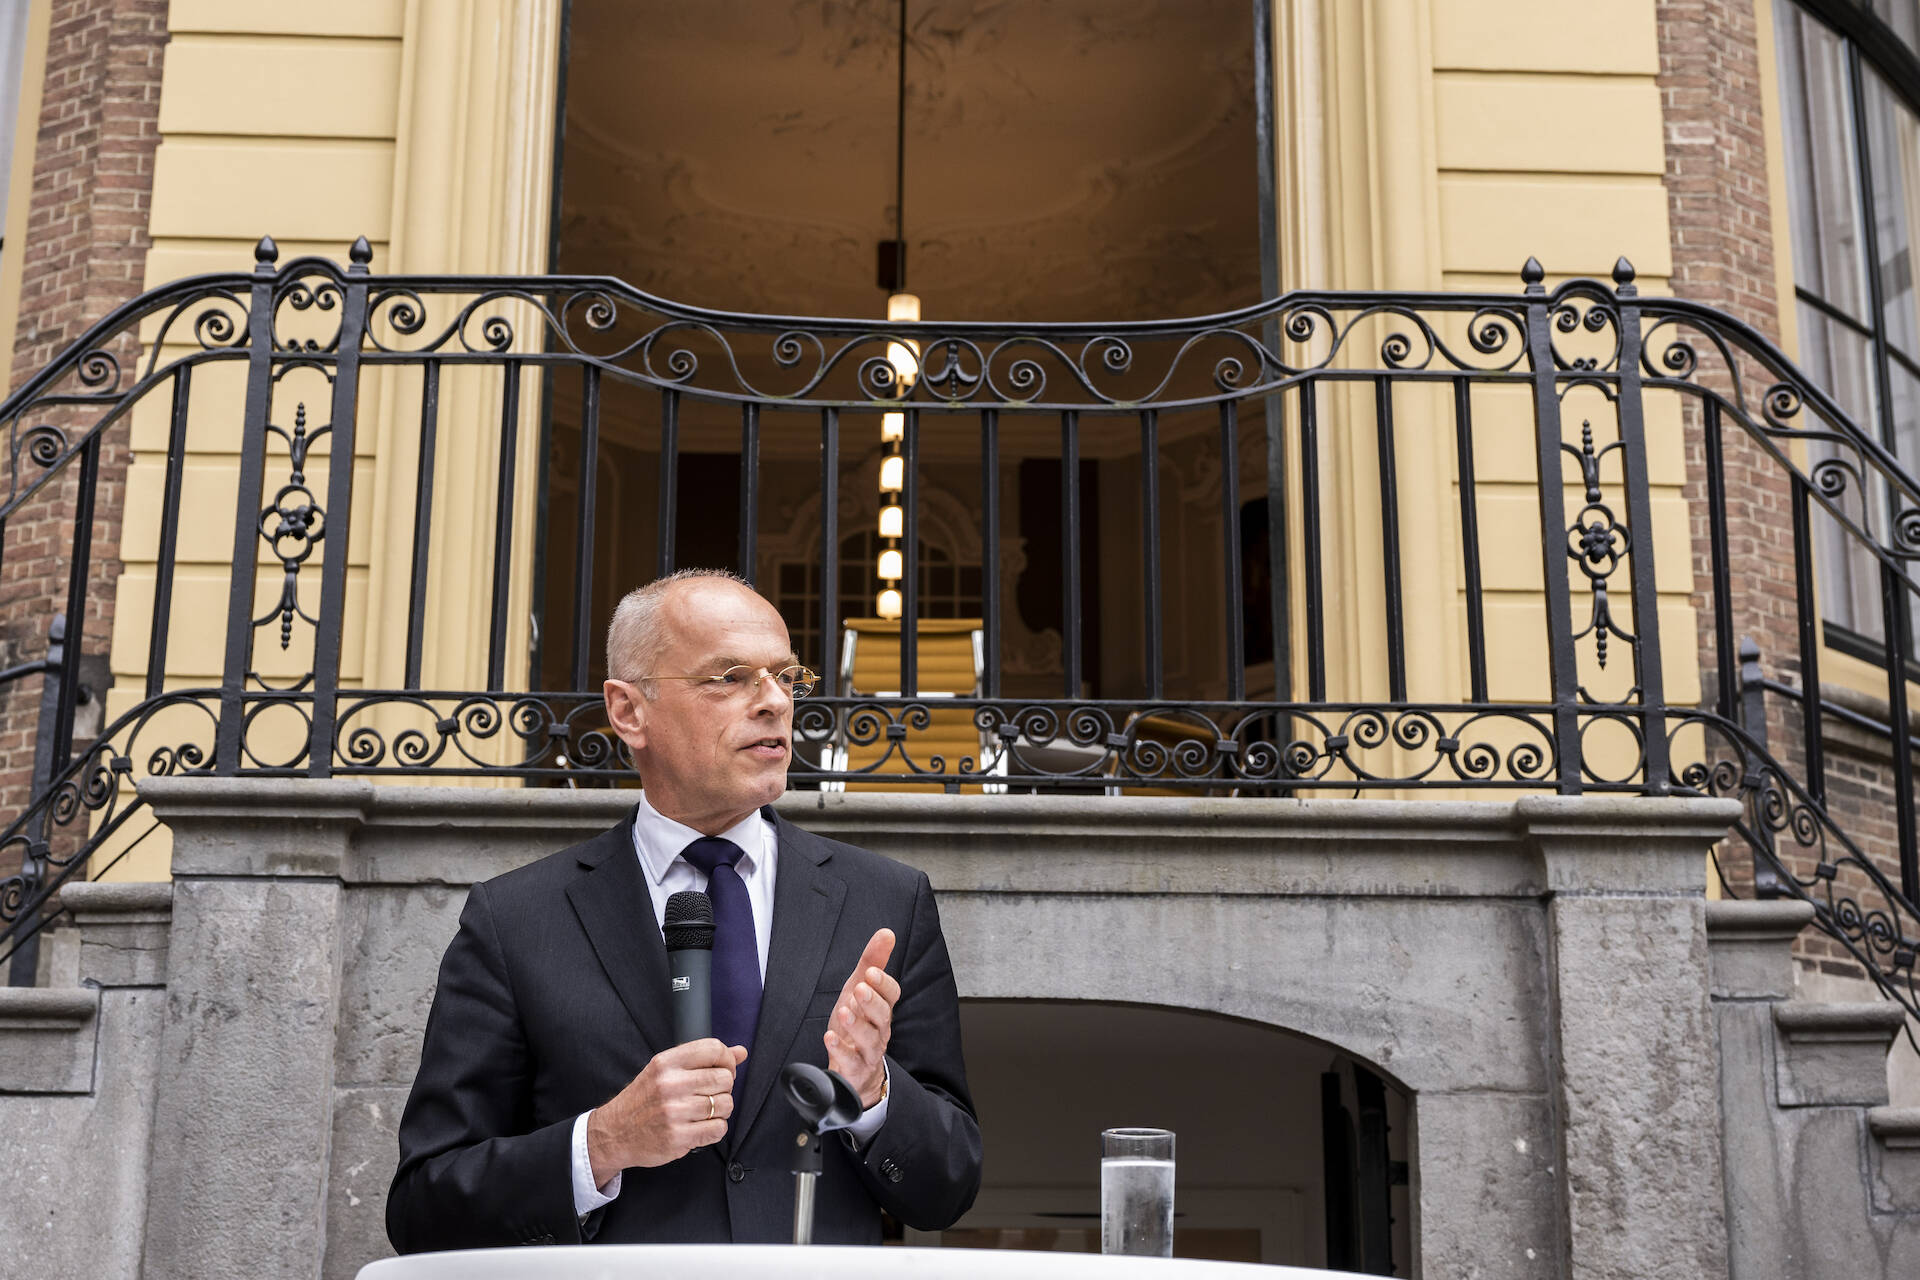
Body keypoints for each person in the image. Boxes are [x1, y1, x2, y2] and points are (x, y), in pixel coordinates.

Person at [386, 569, 982, 1249]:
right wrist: (602, 1143)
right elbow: (423, 1209)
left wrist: (873, 1094)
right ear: (628, 711)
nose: (775, 702)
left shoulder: (886, 902)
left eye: (786, 677)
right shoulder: (515, 920)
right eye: (730, 677)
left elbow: (949, 1188)